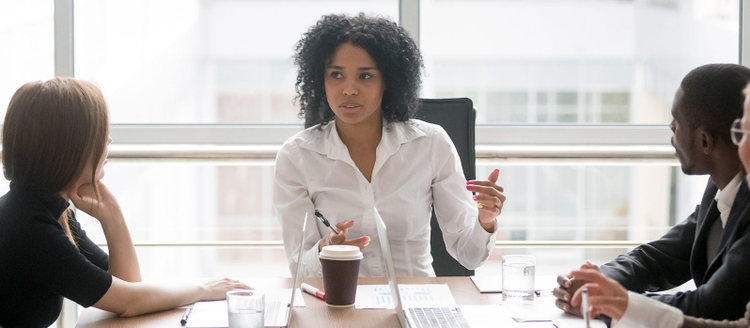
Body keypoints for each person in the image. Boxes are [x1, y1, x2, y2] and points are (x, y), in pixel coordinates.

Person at [0, 78, 250, 328]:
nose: (108, 141)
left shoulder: (43, 209)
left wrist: (113, 217)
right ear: (67, 148)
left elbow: (128, 286)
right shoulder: (31, 229)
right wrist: (204, 289)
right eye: (98, 134)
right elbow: (129, 301)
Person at [274, 13, 505, 278]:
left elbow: (470, 256)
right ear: (320, 80)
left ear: (388, 82)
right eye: (336, 75)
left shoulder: (430, 144)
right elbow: (299, 268)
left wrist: (485, 220)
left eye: (365, 76)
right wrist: (323, 251)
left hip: (417, 301)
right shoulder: (297, 156)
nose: (349, 90)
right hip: (340, 304)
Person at [553, 63, 750, 322]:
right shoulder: (721, 184)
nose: (670, 128)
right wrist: (602, 279)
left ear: (705, 142)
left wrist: (608, 303)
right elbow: (663, 257)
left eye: (676, 122)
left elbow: (710, 306)